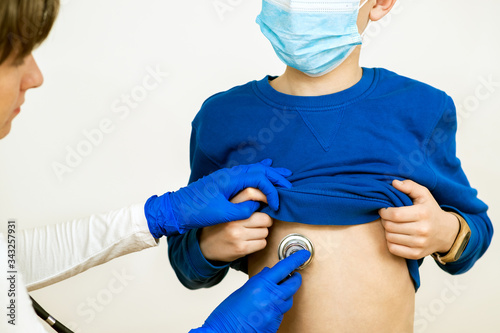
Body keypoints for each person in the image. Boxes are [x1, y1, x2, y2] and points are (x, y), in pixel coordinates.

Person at [167, 0, 494, 331]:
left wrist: (446, 233)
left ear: (380, 3)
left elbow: (476, 228)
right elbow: (185, 262)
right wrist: (208, 245)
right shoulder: (223, 118)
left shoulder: (421, 109)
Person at [0, 0, 310, 332]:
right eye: (17, 59)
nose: (35, 77)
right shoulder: (222, 115)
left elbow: (10, 262)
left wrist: (160, 215)